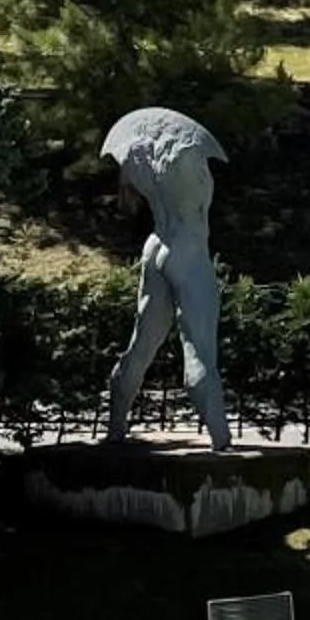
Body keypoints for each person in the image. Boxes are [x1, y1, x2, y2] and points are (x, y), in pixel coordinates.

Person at [102, 109, 232, 453]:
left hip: (155, 245)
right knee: (200, 349)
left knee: (141, 345)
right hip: (189, 249)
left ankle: (116, 428)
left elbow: (126, 206)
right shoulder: (190, 154)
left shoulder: (136, 155)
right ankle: (222, 443)